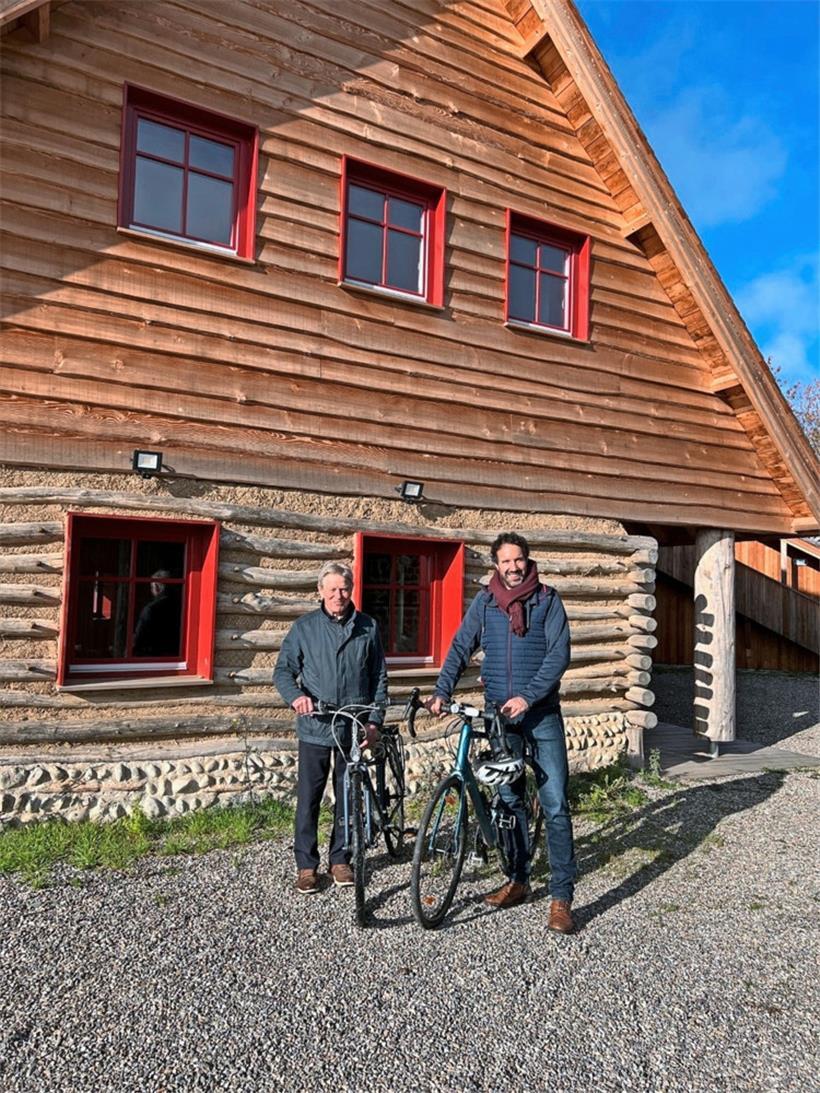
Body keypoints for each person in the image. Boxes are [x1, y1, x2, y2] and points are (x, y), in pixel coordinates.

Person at [428, 532, 576, 934]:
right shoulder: (486, 601)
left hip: (541, 715)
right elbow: (461, 646)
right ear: (496, 565)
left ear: (528, 561)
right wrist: (442, 691)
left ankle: (561, 897)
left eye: (519, 560)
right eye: (506, 562)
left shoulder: (548, 600)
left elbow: (558, 655)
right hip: (500, 719)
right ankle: (518, 880)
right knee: (509, 803)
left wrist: (528, 696)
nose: (513, 568)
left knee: (556, 804)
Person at [274, 561, 388, 895]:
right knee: (308, 798)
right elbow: (283, 672)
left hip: (352, 728)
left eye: (344, 589)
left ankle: (341, 858)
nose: (339, 595)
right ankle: (306, 866)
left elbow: (379, 677)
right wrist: (296, 698)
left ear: (351, 590)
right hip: (316, 727)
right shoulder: (304, 628)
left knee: (348, 797)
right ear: (320, 591)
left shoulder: (368, 627)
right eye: (333, 589)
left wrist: (374, 721)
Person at [133, 570, 182, 656]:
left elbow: (138, 639)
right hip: (176, 654)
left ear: (156, 587)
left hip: (152, 656)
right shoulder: (182, 606)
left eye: (151, 587)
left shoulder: (150, 609)